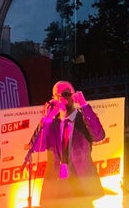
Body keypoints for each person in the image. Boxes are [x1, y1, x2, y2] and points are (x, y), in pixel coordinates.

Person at [35, 80, 106, 208]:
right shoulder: (51, 124)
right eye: (57, 95)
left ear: (73, 96)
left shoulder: (83, 120)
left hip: (80, 186)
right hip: (56, 188)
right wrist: (46, 118)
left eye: (66, 94)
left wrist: (84, 105)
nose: (62, 98)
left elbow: (99, 135)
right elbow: (37, 146)